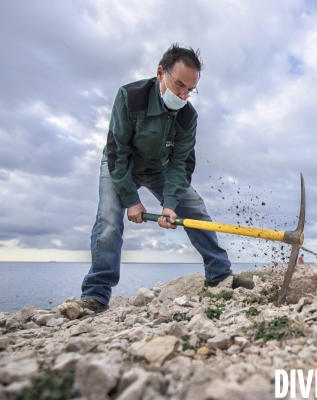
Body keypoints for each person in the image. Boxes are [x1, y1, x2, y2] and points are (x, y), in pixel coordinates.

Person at [80, 44, 254, 314]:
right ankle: (95, 295)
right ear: (161, 73)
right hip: (121, 165)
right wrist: (131, 200)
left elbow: (181, 164)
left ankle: (219, 275)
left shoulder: (188, 116)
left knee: (195, 208)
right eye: (179, 85)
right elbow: (117, 151)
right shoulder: (130, 96)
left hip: (160, 168)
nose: (183, 95)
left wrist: (170, 204)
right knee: (108, 220)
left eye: (190, 90)